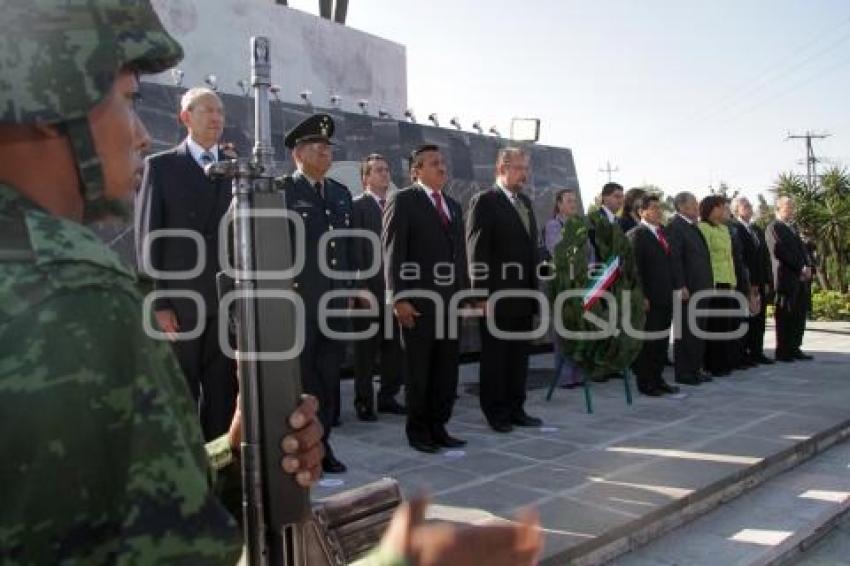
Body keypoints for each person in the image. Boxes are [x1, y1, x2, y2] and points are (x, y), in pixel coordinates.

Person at [0, 3, 322, 562]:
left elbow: (87, 510)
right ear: (54, 100)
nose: (140, 135)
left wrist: (232, 449)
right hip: (183, 308)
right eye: (127, 99)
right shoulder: (76, 294)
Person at [135, 86, 237, 441]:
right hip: (180, 304)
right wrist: (159, 302)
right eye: (207, 110)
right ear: (185, 117)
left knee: (222, 393)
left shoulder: (233, 171)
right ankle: (187, 474)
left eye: (221, 111)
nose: (216, 117)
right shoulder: (161, 167)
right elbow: (149, 237)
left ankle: (221, 473)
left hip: (224, 302)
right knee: (181, 393)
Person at [278, 113, 354, 474]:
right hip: (299, 305)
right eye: (319, 148)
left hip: (333, 304)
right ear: (299, 155)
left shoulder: (339, 194)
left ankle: (325, 446)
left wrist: (352, 287)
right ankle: (301, 446)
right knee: (303, 380)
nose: (326, 153)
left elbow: (349, 249)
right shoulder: (283, 192)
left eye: (328, 148)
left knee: (329, 377)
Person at [383, 144, 469, 454]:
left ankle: (439, 426)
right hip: (417, 304)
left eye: (443, 162)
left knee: (446, 371)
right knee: (419, 371)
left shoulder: (454, 205)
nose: (442, 168)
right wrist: (398, 298)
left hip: (449, 304)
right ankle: (418, 432)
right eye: (434, 163)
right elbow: (393, 252)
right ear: (416, 170)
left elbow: (460, 255)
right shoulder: (403, 200)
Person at [467, 148, 543, 433]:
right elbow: (477, 251)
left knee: (518, 357)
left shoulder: (524, 202)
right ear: (502, 167)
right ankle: (496, 412)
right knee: (496, 358)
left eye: (526, 168)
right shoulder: (485, 201)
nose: (525, 174)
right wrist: (480, 294)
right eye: (520, 168)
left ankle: (516, 407)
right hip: (497, 297)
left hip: (523, 295)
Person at [350, 153, 405, 421]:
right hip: (368, 290)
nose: (385, 174)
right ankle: (363, 401)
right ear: (366, 178)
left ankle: (388, 396)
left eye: (387, 170)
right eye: (379, 171)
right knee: (366, 351)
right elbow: (354, 249)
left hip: (393, 290)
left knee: (393, 347)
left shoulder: (397, 205)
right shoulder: (357, 207)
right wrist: (359, 287)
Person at [626, 195, 680, 397]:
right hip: (649, 299)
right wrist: (641, 296)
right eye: (654, 208)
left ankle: (658, 379)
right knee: (648, 342)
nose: (659, 211)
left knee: (661, 342)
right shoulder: (636, 235)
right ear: (642, 212)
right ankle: (646, 382)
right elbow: (634, 270)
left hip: (665, 296)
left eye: (660, 208)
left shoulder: (661, 233)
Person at [667, 191, 714, 386]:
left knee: (697, 331)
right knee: (686, 332)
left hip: (701, 287)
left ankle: (695, 369)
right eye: (694, 205)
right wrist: (680, 285)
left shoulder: (692, 226)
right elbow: (675, 259)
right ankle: (685, 372)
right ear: (683, 207)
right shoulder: (676, 227)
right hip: (688, 289)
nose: (697, 208)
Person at [543, 189, 585, 388]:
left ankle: (579, 373)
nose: (573, 204)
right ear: (559, 205)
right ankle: (566, 376)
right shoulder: (553, 225)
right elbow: (557, 251)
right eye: (569, 201)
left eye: (574, 201)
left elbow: (590, 252)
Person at [766, 196, 814, 362]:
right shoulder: (774, 227)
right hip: (785, 278)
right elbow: (780, 251)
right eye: (788, 207)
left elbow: (802, 251)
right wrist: (800, 267)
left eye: (792, 207)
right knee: (785, 315)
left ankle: (795, 347)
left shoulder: (792, 228)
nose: (791, 210)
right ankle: (784, 350)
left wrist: (808, 266)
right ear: (778, 209)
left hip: (799, 279)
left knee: (798, 314)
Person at [698, 195, 740, 377]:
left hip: (727, 281)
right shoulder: (703, 228)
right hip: (713, 282)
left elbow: (729, 257)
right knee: (714, 325)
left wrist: (733, 280)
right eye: (722, 207)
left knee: (726, 324)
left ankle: (725, 361)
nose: (725, 211)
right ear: (713, 209)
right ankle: (712, 363)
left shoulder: (724, 229)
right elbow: (704, 257)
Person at [730, 197, 774, 365]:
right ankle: (744, 354)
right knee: (746, 319)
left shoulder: (756, 228)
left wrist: (768, 279)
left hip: (761, 280)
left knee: (759, 318)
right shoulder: (735, 228)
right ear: (736, 210)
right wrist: (750, 282)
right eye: (745, 206)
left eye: (750, 205)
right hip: (747, 282)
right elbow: (740, 258)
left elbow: (764, 256)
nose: (749, 208)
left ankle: (757, 351)